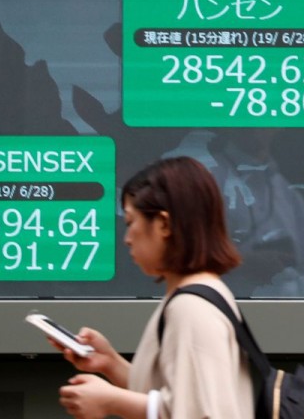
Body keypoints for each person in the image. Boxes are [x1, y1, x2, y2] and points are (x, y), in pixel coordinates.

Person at [51, 156, 253, 418]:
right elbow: (179, 397)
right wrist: (111, 364)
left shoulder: (191, 308)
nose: (126, 239)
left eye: (131, 222)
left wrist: (111, 401)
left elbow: (199, 412)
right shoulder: (199, 296)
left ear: (164, 224)